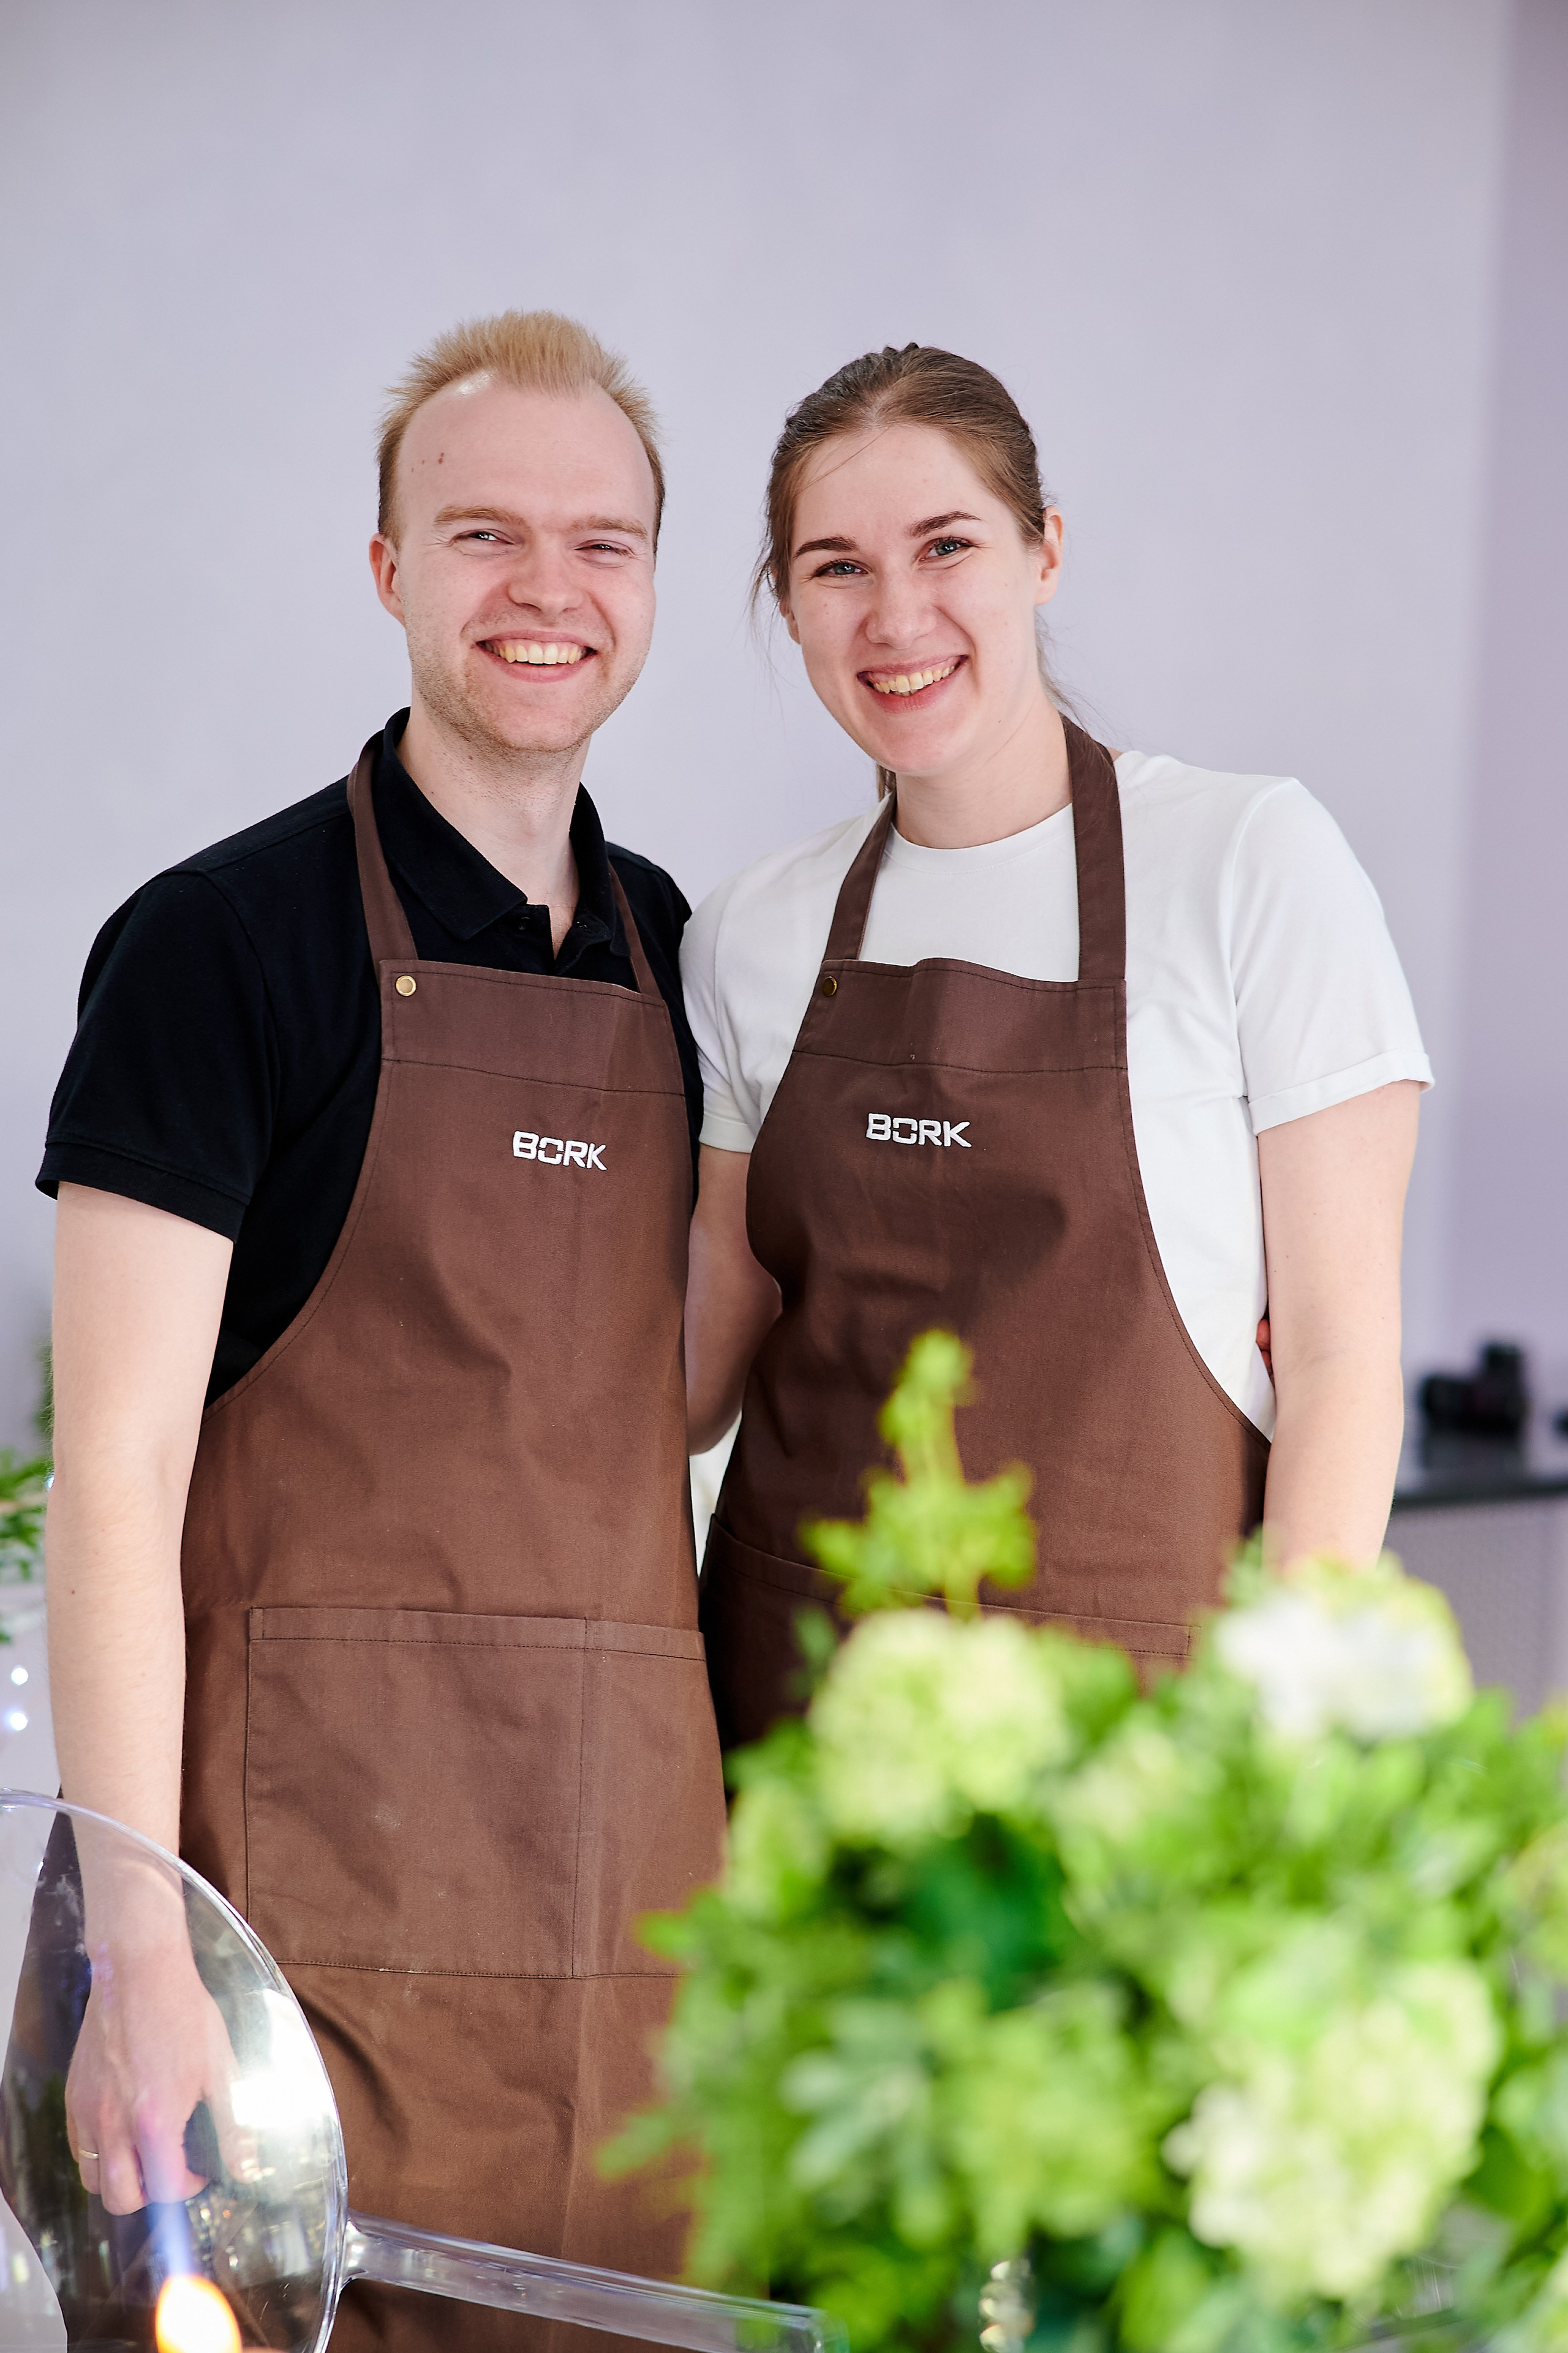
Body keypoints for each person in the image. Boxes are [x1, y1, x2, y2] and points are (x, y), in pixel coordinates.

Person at [34, 311, 725, 2345]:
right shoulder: (212, 948)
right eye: (485, 532)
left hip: (636, 1957)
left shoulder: (686, 955)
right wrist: (136, 1965)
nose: (547, 591)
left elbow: (748, 1357)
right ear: (390, 570)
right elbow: (117, 1484)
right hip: (285, 1949)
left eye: (602, 543)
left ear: (654, 585)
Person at [684, 342, 1430, 1749]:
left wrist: (1276, 1751)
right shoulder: (747, 933)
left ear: (1043, 552)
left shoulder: (1248, 861)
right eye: (834, 567)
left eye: (946, 545)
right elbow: (698, 1363)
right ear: (787, 606)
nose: (896, 616)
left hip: (1142, 1747)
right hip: (804, 1739)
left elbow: (1338, 1357)